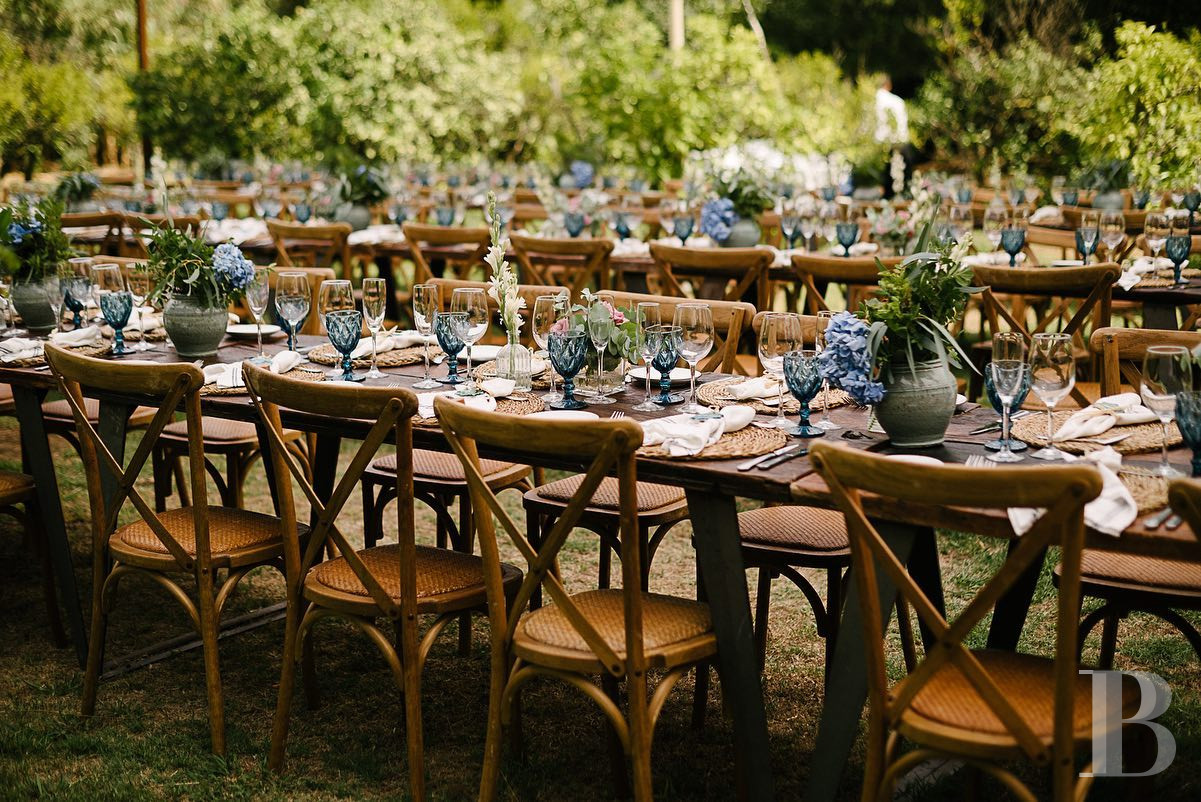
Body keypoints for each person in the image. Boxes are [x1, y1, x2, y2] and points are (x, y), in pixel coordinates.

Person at [875, 76, 912, 199]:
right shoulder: (897, 101)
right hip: (897, 143)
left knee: (885, 179)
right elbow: (902, 126)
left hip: (878, 144)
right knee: (900, 178)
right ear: (889, 85)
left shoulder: (871, 102)